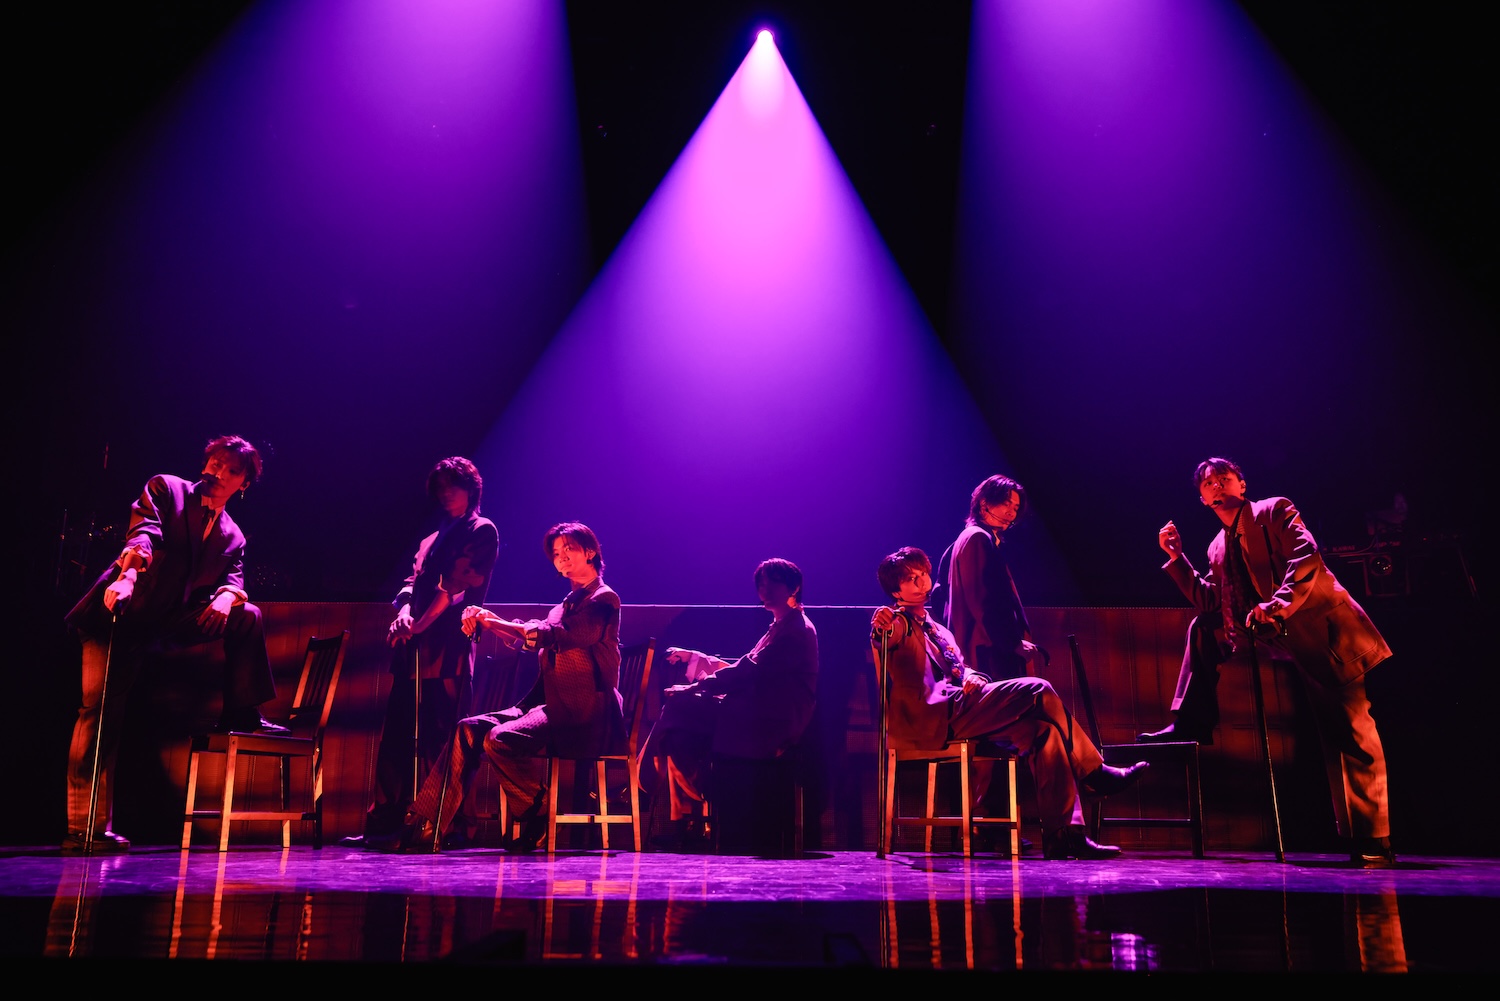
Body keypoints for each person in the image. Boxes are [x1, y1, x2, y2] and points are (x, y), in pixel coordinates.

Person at [1141, 457, 1397, 868]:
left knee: (1348, 729)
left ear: (1241, 484)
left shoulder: (1274, 511)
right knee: (1204, 626)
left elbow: (1306, 557)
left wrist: (1276, 606)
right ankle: (1189, 721)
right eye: (1208, 483)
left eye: (1225, 477)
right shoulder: (1217, 546)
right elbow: (1212, 601)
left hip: (1320, 630)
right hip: (1270, 634)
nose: (1217, 484)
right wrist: (1177, 558)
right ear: (1202, 499)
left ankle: (1372, 839)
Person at [61, 435, 283, 854]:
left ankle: (241, 712)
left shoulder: (233, 536)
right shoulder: (167, 488)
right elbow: (143, 532)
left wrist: (227, 596)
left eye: (232, 470)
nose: (219, 472)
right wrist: (128, 574)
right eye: (215, 462)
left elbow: (235, 580)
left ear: (244, 484)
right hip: (119, 614)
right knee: (100, 715)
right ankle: (85, 829)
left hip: (166, 625)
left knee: (246, 614)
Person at [874, 547, 1147, 860]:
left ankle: (1064, 836)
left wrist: (975, 676)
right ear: (896, 591)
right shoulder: (898, 622)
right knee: (1038, 688)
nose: (922, 582)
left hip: (962, 709)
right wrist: (882, 623)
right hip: (932, 717)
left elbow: (961, 668)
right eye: (911, 579)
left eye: (923, 574)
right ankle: (1095, 772)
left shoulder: (939, 629)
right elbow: (884, 633)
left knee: (1045, 732)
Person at [365, 522, 622, 852]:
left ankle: (537, 809)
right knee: (467, 729)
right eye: (556, 553)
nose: (561, 557)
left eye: (568, 549)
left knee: (499, 738)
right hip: (550, 708)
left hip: (584, 713)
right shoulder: (563, 606)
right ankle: (425, 825)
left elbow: (557, 636)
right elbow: (532, 635)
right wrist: (488, 620)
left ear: (591, 552)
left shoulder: (604, 600)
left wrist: (495, 622)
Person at [340, 457, 497, 847]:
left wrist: (420, 625)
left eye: (453, 485)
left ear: (471, 488)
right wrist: (405, 614)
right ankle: (386, 824)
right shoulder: (432, 537)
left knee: (441, 739)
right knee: (396, 736)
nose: (446, 493)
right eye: (440, 487)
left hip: (448, 648)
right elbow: (411, 583)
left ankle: (444, 826)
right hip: (413, 648)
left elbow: (455, 588)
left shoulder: (481, 529)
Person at [640, 558, 819, 846]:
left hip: (771, 719)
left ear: (793, 587)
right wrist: (696, 660)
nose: (764, 590)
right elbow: (746, 665)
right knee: (677, 736)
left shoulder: (795, 630)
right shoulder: (781, 626)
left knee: (678, 707)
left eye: (772, 583)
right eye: (761, 584)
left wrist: (696, 686)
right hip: (756, 711)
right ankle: (688, 819)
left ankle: (643, 786)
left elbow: (749, 671)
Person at [943, 475, 1041, 682]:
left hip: (982, 650)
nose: (1011, 512)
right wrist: (1012, 643)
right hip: (989, 654)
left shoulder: (965, 540)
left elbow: (940, 595)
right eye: (1006, 503)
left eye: (1015, 507)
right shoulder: (978, 538)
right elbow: (984, 602)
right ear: (984, 503)